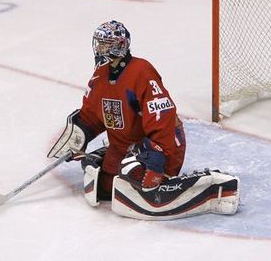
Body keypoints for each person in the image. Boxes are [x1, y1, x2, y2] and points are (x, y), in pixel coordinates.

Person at [48, 20, 239, 220]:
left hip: (157, 148)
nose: (99, 49)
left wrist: (158, 158)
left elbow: (162, 119)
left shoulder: (142, 72)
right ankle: (116, 159)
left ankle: (208, 187)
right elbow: (92, 115)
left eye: (106, 45)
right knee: (103, 186)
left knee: (134, 177)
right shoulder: (100, 76)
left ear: (121, 46)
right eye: (98, 44)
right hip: (123, 146)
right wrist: (80, 133)